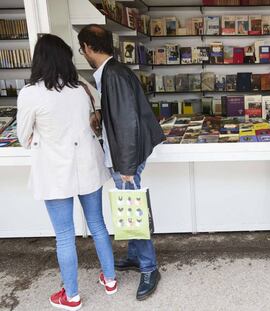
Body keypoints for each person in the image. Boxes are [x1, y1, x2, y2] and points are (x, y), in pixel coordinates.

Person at [17, 34, 117, 311]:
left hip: (54, 170)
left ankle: (71, 295)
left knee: (64, 234)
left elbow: (23, 137)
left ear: (39, 60)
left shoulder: (31, 93)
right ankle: (110, 279)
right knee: (97, 224)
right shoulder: (81, 88)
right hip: (87, 165)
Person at [77, 24, 165, 300]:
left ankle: (150, 267)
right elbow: (121, 113)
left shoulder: (112, 74)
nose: (83, 53)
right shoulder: (114, 71)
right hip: (125, 153)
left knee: (132, 210)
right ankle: (136, 256)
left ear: (88, 48)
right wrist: (101, 113)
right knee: (127, 207)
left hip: (126, 157)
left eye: (82, 49)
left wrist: (126, 166)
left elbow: (127, 121)